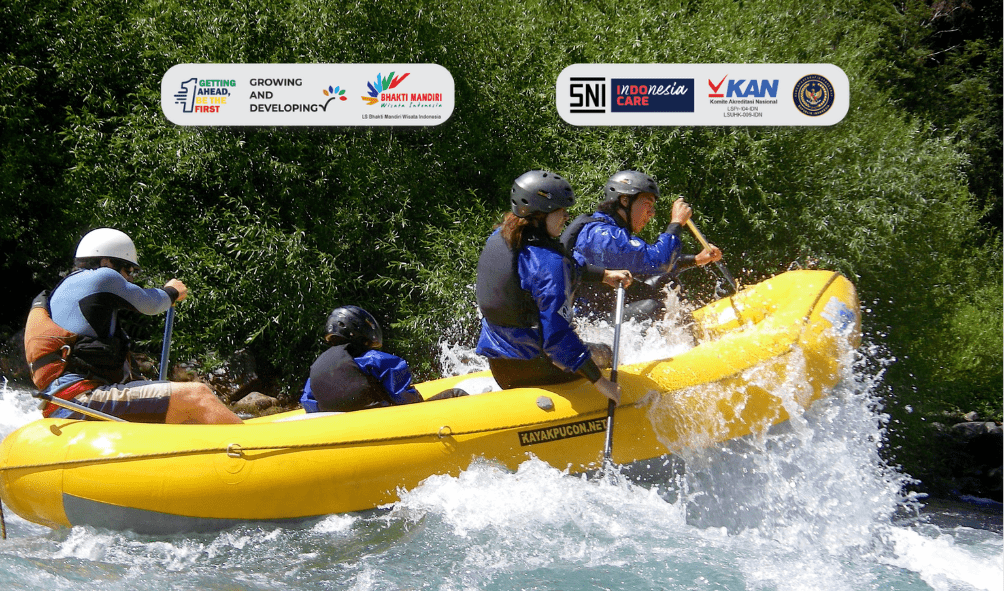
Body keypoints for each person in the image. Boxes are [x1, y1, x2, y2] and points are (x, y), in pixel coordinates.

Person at [24, 228, 243, 424]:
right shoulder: (104, 277)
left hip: (64, 400)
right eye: (128, 269)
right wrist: (172, 291)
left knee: (181, 407)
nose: (129, 278)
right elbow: (151, 303)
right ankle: (247, 447)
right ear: (106, 263)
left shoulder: (66, 288)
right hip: (81, 397)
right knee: (198, 395)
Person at [475, 170, 632, 404]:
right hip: (539, 369)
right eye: (562, 210)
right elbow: (557, 338)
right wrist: (602, 383)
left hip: (501, 369)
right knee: (606, 352)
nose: (567, 216)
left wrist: (604, 275)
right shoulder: (550, 263)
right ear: (540, 214)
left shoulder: (501, 238)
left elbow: (540, 272)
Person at [560, 170, 723, 321]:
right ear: (625, 200)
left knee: (666, 282)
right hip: (587, 324)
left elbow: (648, 267)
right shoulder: (603, 235)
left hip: (602, 313)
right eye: (647, 204)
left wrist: (696, 259)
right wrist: (676, 223)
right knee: (651, 307)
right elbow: (659, 261)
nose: (652, 212)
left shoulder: (610, 231)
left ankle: (687, 329)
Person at [300, 305, 464, 412]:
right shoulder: (374, 359)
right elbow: (405, 399)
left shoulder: (316, 372)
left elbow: (309, 404)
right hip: (389, 423)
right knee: (457, 393)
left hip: (344, 431)